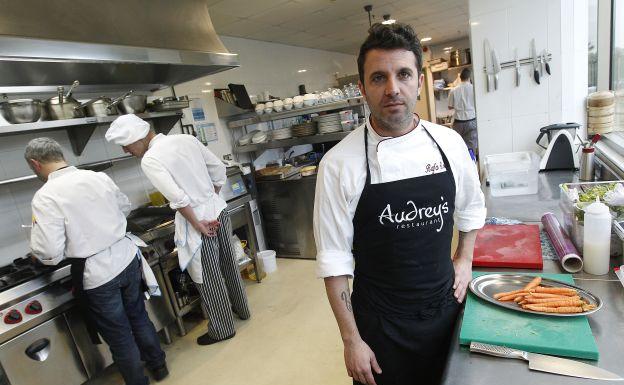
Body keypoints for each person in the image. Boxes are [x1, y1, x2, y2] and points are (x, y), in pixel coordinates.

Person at [313, 23, 486, 385]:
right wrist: (351, 340)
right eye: (378, 78)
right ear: (362, 89)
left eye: (403, 74)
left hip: (445, 309)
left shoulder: (449, 143)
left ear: (418, 81)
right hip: (380, 327)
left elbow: (470, 208)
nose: (392, 88)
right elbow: (334, 262)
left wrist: (465, 257)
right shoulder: (338, 164)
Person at [26, 137, 167, 385]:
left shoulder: (45, 196)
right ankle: (159, 367)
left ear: (35, 164)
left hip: (99, 274)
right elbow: (124, 208)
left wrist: (42, 252)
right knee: (138, 316)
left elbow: (49, 251)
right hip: (126, 258)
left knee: (119, 334)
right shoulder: (97, 177)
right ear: (60, 154)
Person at [105, 115, 251, 345]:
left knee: (207, 275)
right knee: (228, 262)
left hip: (200, 220)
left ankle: (222, 328)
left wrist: (197, 222)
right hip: (218, 209)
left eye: (125, 144)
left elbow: (178, 198)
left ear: (137, 138)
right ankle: (242, 310)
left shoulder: (150, 159)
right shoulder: (186, 139)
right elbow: (218, 171)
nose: (125, 150)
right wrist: (209, 199)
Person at [448, 67, 478, 154]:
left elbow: (450, 107)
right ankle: (471, 164)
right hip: (471, 121)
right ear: (469, 77)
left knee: (458, 146)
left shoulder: (453, 90)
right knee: (471, 147)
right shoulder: (474, 89)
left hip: (458, 123)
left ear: (460, 78)